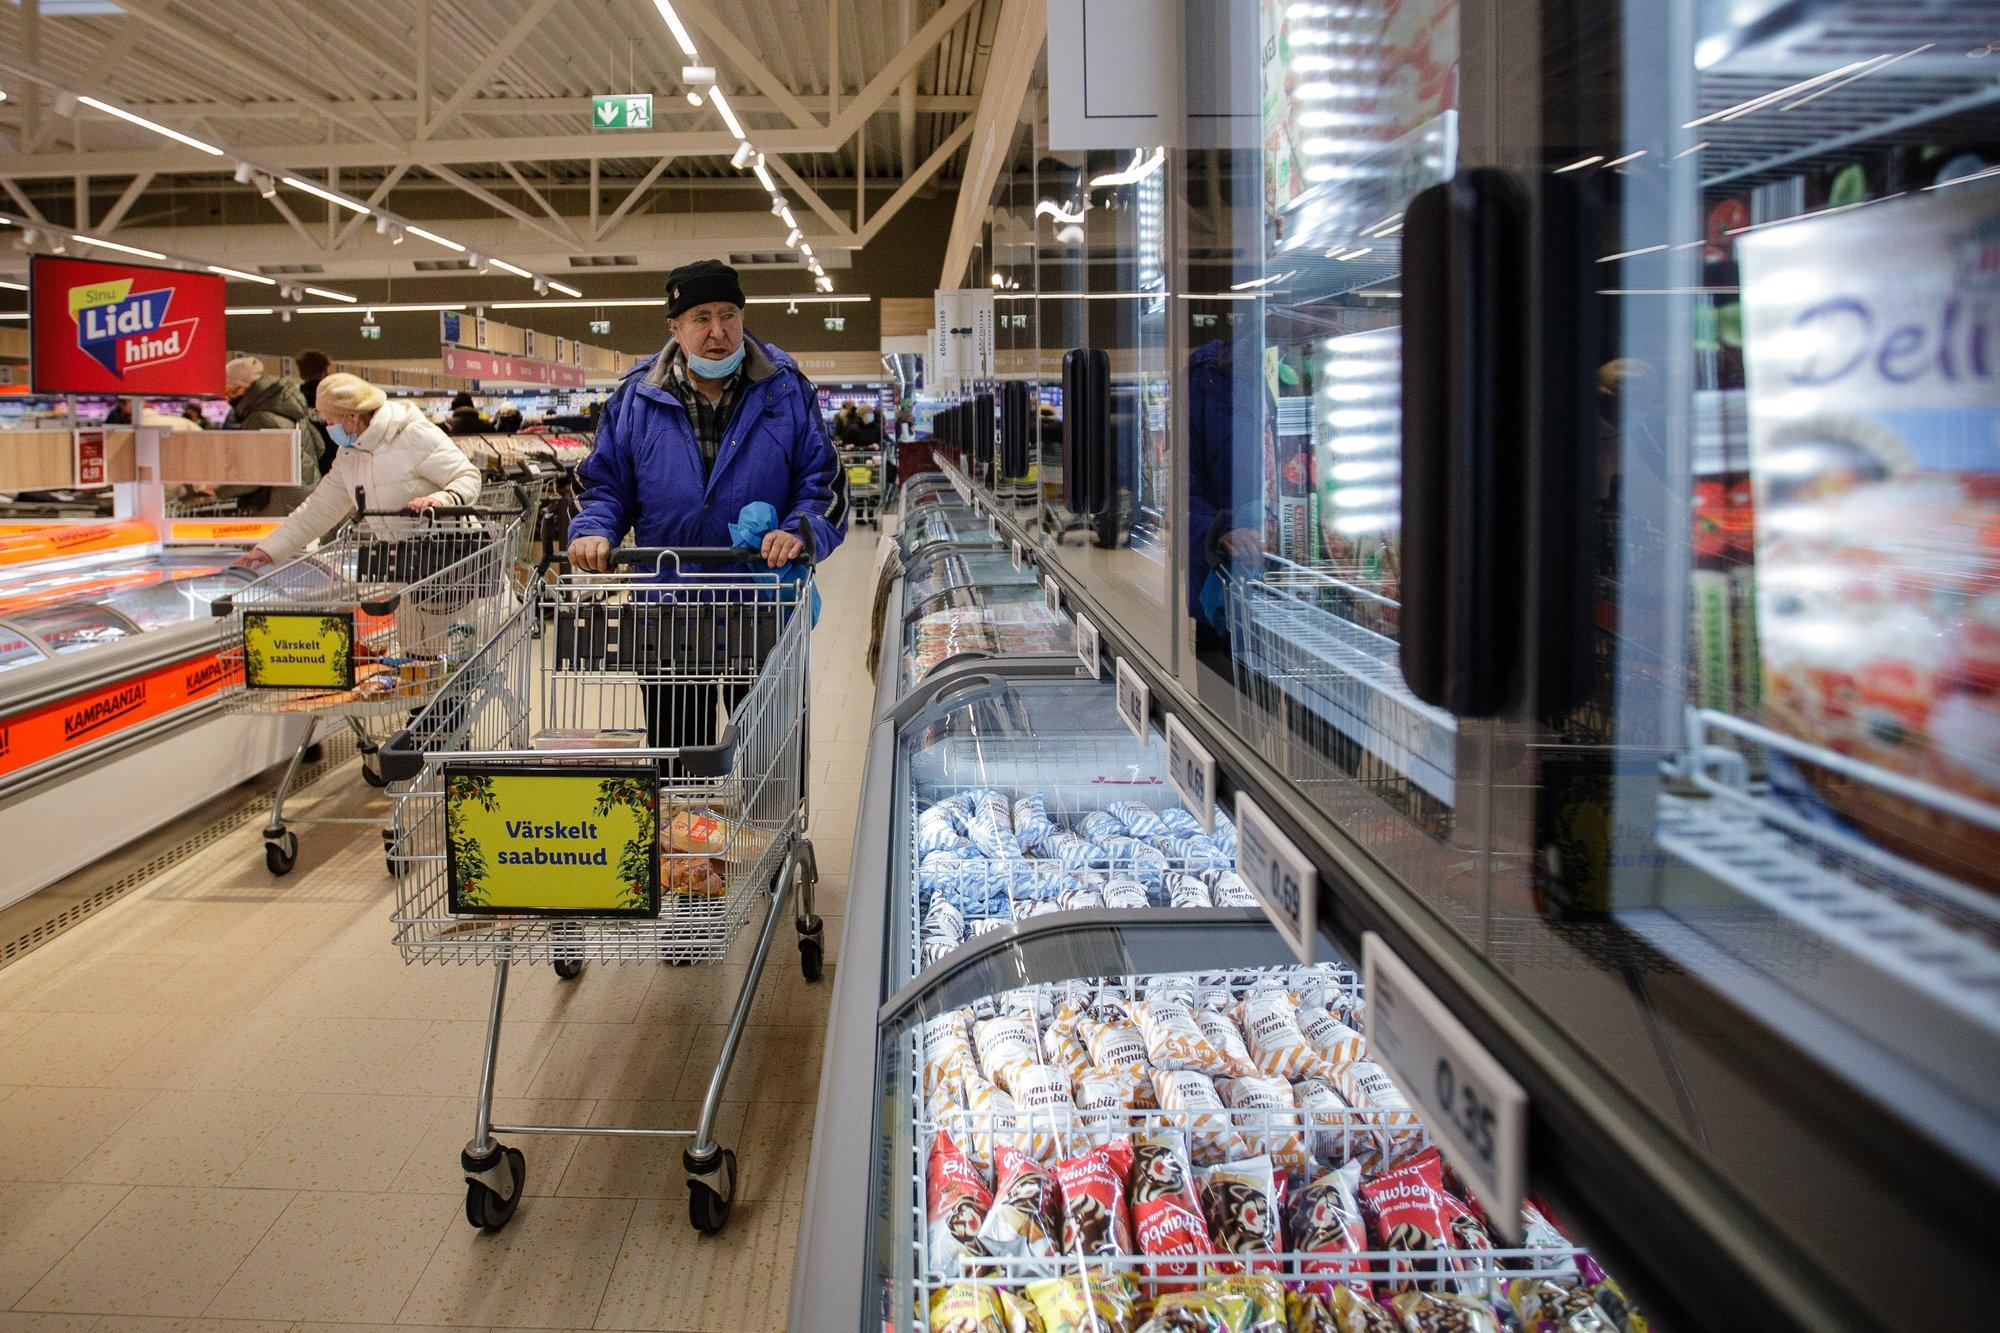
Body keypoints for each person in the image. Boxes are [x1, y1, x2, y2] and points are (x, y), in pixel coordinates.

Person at [566, 258, 845, 747]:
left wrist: (800, 529)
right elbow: (603, 483)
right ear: (674, 328)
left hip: (761, 610)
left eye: (728, 315)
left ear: (742, 317)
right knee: (679, 761)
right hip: (669, 612)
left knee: (768, 763)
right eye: (701, 318)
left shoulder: (786, 389)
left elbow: (822, 481)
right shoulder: (635, 398)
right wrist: (593, 528)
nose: (718, 331)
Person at [237, 372, 481, 569]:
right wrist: (269, 549)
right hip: (407, 565)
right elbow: (318, 509)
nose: (328, 428)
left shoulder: (412, 434)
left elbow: (467, 476)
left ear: (353, 416)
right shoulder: (349, 455)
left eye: (331, 421)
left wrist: (442, 499)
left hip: (456, 561)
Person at [223, 356, 321, 514]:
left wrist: (215, 490)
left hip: (278, 505)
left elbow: (252, 476)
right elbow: (319, 446)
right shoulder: (291, 408)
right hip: (307, 496)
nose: (226, 397)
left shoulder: (259, 418)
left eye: (227, 391)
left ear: (241, 388)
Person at [294, 349, 334, 473]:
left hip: (304, 465)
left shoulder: (294, 401)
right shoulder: (334, 399)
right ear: (325, 373)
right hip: (333, 465)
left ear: (301, 375)